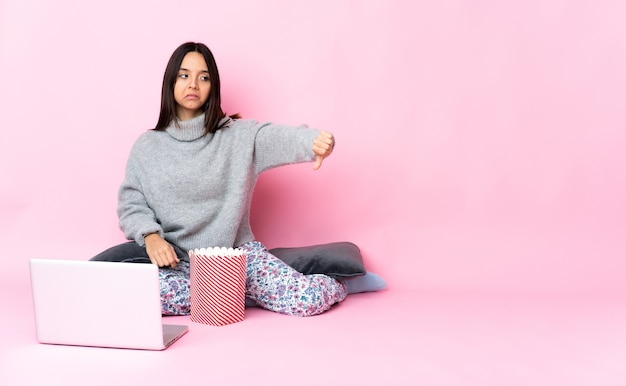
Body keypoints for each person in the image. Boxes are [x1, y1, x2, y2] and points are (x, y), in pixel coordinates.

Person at [90, 42, 347, 317]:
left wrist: (315, 141)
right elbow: (132, 203)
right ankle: (231, 294)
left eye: (204, 77)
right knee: (135, 295)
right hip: (180, 263)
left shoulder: (237, 136)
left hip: (237, 258)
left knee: (306, 300)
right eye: (184, 75)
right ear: (171, 82)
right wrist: (151, 237)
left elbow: (279, 137)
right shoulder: (147, 146)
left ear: (213, 86)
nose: (194, 85)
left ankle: (343, 284)